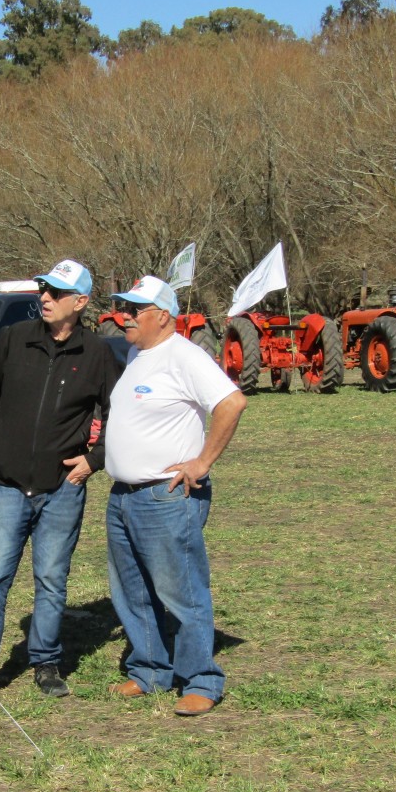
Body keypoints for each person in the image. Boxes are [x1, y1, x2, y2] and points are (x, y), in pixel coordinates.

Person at [0, 259, 122, 707]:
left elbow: (121, 415)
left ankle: (45, 662)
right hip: (6, 485)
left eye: (56, 292)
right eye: (43, 289)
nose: (44, 298)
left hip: (63, 489)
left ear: (81, 303)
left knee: (51, 580)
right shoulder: (14, 339)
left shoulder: (98, 353)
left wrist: (94, 460)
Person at [103, 274, 247, 717]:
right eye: (121, 307)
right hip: (123, 496)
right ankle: (148, 671)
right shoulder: (135, 354)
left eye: (133, 310)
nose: (123, 316)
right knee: (133, 592)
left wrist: (202, 462)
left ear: (162, 316)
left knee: (181, 591)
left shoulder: (184, 356)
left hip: (165, 498)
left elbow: (231, 402)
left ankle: (201, 680)